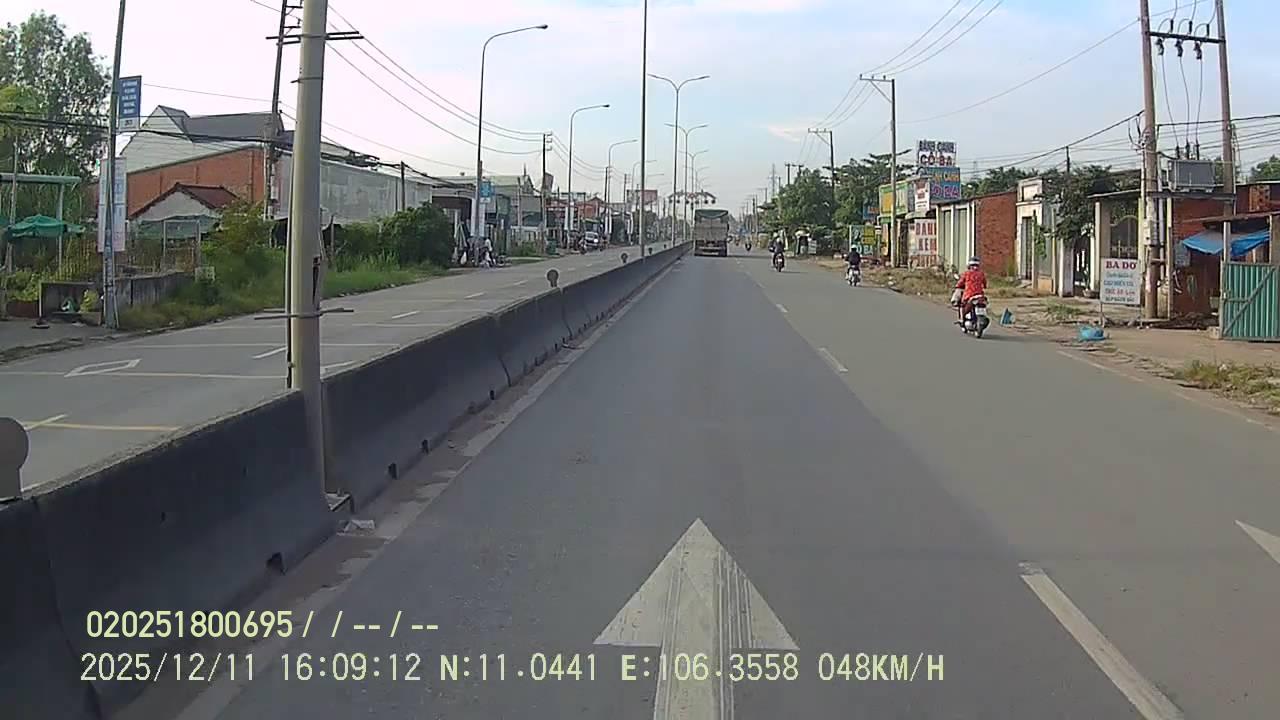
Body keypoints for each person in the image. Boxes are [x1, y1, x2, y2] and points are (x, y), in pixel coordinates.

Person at [953, 256, 988, 323]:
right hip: (980, 294)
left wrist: (957, 286)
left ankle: (961, 319)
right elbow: (985, 284)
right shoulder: (981, 274)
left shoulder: (967, 273)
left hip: (969, 294)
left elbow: (960, 282)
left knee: (962, 305)